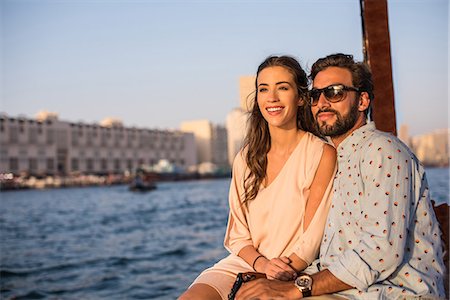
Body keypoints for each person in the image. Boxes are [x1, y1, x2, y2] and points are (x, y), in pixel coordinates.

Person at [236, 53, 446, 299]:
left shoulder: (383, 150)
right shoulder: (331, 157)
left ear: (362, 100)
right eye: (316, 95)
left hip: (395, 292)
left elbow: (380, 251)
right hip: (344, 290)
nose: (323, 102)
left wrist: (296, 288)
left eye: (335, 92)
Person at [179, 55, 337, 300]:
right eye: (264, 89)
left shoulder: (321, 154)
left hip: (293, 268)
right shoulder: (245, 158)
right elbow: (237, 235)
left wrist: (277, 273)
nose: (271, 97)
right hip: (246, 264)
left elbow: (311, 240)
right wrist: (261, 264)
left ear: (301, 97)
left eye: (282, 88)